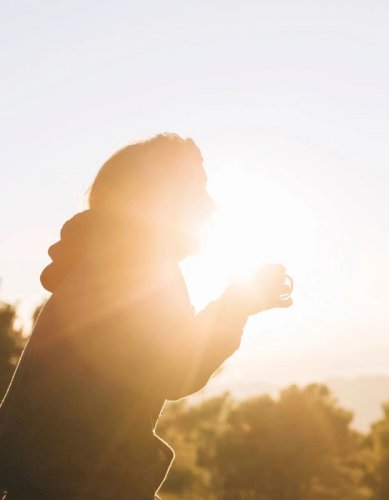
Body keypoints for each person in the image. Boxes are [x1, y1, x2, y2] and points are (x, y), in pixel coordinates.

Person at [0, 133, 293, 499]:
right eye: (197, 189)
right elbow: (175, 369)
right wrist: (236, 303)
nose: (210, 204)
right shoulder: (138, 264)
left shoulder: (106, 260)